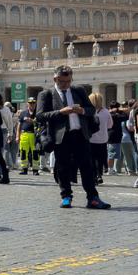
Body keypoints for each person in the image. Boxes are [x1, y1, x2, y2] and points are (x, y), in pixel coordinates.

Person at [36, 66, 110, 208]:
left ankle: (93, 198)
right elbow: (40, 116)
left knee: (87, 167)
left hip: (80, 134)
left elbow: (91, 109)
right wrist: (60, 112)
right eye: (63, 82)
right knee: (63, 167)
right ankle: (66, 196)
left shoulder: (78, 90)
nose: (66, 85)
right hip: (60, 136)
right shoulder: (46, 94)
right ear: (55, 79)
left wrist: (81, 110)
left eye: (69, 81)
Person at [87, 92, 111, 184]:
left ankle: (93, 176)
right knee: (100, 158)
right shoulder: (106, 112)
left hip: (90, 138)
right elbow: (110, 125)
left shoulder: (89, 112)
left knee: (91, 158)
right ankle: (99, 174)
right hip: (103, 138)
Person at [16, 98, 40, 175]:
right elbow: (19, 125)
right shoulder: (23, 113)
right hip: (24, 134)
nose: (31, 105)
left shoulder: (38, 113)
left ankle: (35, 169)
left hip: (34, 134)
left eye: (33, 103)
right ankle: (24, 168)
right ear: (27, 104)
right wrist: (17, 135)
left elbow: (41, 123)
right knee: (23, 152)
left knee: (35, 152)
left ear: (35, 104)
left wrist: (33, 121)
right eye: (30, 103)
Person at [106, 101, 126, 175]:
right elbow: (125, 116)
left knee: (112, 153)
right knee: (111, 154)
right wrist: (118, 112)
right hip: (114, 135)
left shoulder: (108, 114)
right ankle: (110, 169)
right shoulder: (113, 115)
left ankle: (111, 169)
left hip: (111, 135)